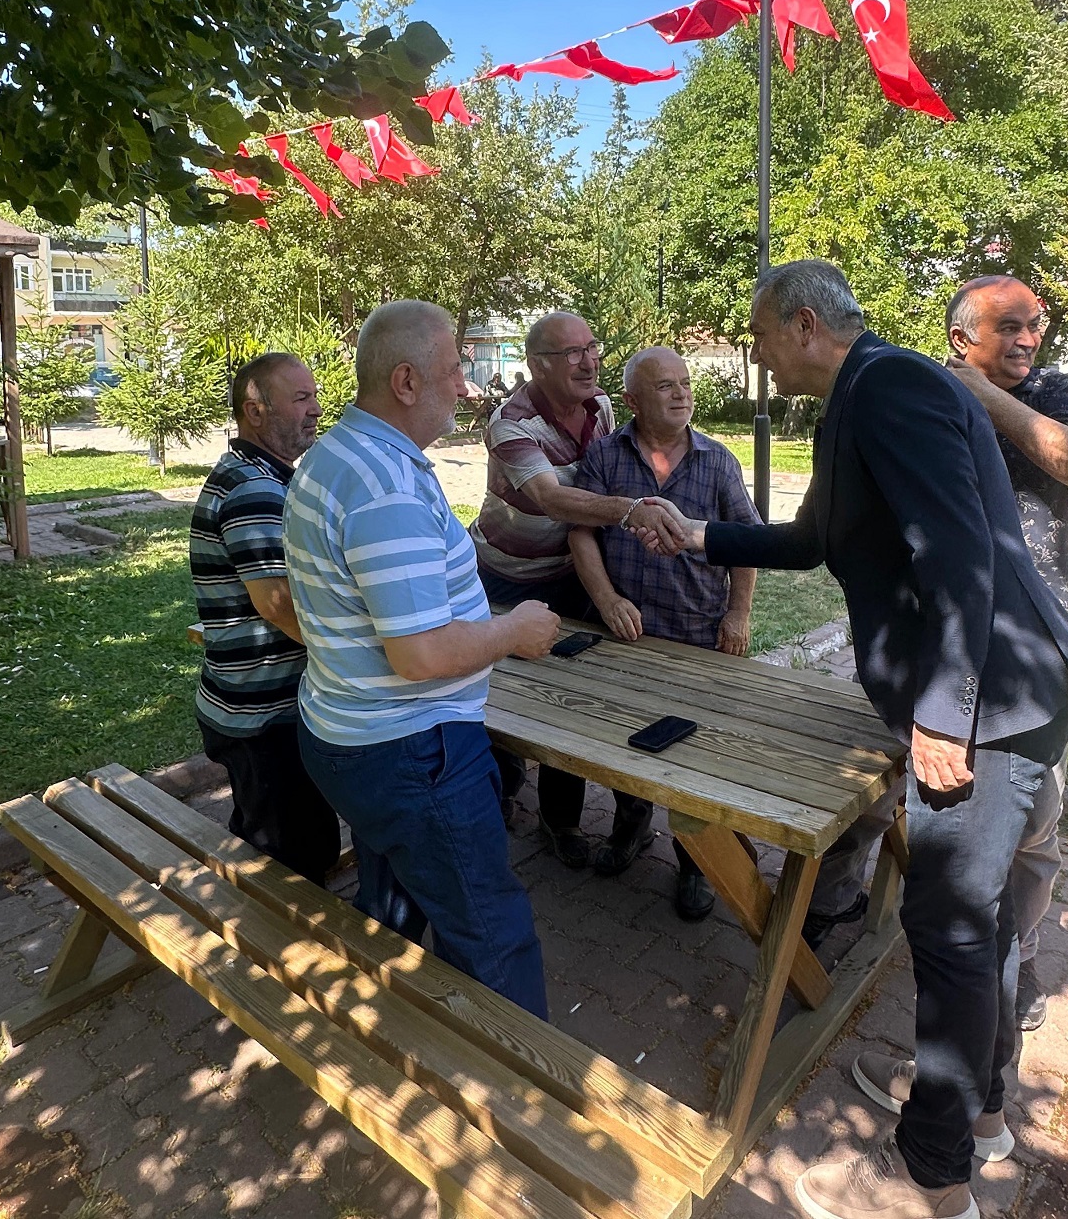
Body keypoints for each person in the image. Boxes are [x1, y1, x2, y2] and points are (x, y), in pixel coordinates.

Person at [643, 260, 1068, 1219]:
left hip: (994, 708)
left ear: (805, 323)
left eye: (761, 335)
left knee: (952, 930)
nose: (757, 354)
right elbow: (814, 539)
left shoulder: (890, 386)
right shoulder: (858, 394)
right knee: (979, 928)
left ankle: (929, 1180)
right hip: (998, 697)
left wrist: (943, 711)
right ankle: (979, 1114)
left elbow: (960, 553)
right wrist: (700, 535)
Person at [283, 300, 559, 1017]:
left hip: (351, 731)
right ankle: (518, 1080)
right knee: (492, 933)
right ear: (406, 381)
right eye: (454, 369)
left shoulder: (339, 454)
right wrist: (513, 630)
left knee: (394, 904)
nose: (467, 386)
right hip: (413, 750)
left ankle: (396, 1032)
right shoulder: (387, 486)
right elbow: (421, 652)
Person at [947, 276, 1068, 1030]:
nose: (1028, 338)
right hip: (952, 638)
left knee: (1036, 820)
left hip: (1043, 645)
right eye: (1008, 326)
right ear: (962, 338)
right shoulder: (932, 393)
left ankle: (1023, 949)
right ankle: (851, 903)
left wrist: (986, 396)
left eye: (1034, 324)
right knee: (915, 790)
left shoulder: (1056, 392)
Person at [470, 311, 684, 866]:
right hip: (504, 578)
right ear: (536, 364)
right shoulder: (511, 423)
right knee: (503, 695)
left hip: (572, 575)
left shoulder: (601, 407)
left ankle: (577, 819)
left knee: (579, 701)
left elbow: (605, 476)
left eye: (592, 348)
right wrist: (632, 510)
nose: (589, 362)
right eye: (572, 353)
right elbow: (551, 498)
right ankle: (511, 798)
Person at [568, 346, 759, 919]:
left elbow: (745, 542)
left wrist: (738, 613)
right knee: (626, 741)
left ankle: (697, 862)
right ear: (632, 399)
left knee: (696, 757)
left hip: (696, 633)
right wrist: (606, 599)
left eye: (685, 383)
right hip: (628, 635)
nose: (681, 394)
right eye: (664, 385)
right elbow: (580, 531)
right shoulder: (604, 456)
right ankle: (631, 826)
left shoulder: (717, 461)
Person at [189, 352, 342, 884]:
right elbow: (277, 603)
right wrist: (348, 657)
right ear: (255, 411)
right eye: (301, 398)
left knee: (280, 841)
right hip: (263, 717)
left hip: (250, 706)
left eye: (314, 396)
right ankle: (272, 931)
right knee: (293, 863)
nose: (315, 409)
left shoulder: (255, 475)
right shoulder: (254, 488)